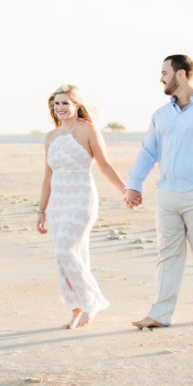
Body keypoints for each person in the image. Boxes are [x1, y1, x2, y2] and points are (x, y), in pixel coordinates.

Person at [124, 54, 193, 329]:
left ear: (182, 73)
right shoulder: (161, 115)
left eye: (165, 72)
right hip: (167, 195)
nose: (161, 77)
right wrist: (134, 184)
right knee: (167, 254)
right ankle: (160, 314)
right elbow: (149, 152)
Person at [37, 85, 128, 329]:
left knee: (65, 252)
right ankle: (75, 307)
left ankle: (91, 303)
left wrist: (125, 191)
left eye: (65, 103)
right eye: (56, 104)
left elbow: (104, 165)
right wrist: (41, 211)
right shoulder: (51, 137)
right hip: (58, 204)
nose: (60, 108)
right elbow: (47, 176)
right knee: (70, 256)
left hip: (81, 199)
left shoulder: (88, 130)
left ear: (77, 105)